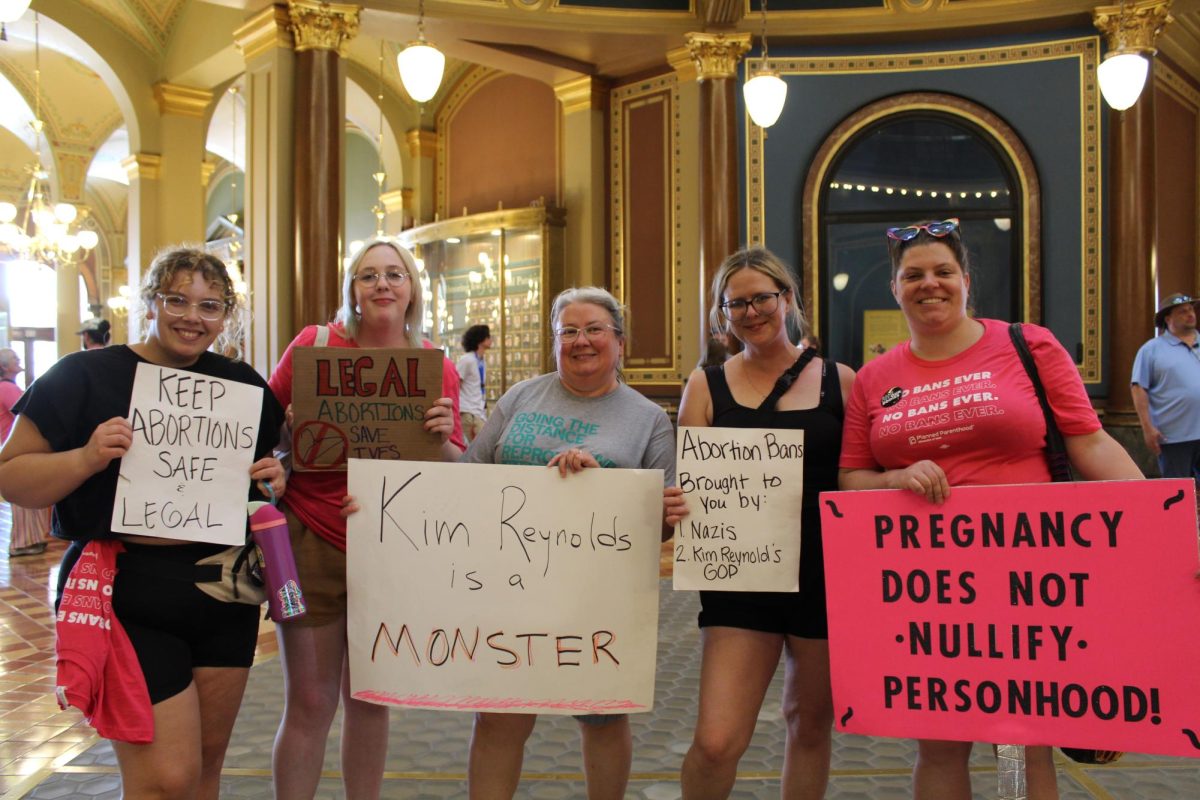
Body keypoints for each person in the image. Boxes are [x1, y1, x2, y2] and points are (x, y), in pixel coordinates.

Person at [838, 218, 1143, 800]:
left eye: (943, 271)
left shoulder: (1027, 344)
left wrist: (1166, 529)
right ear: (894, 289)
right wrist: (897, 477)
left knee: (1028, 737)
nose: (930, 284)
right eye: (914, 275)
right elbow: (851, 479)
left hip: (1034, 574)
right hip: (925, 581)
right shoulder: (874, 378)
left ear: (966, 280)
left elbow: (1091, 442)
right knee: (939, 739)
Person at [0, 246, 287, 800]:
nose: (191, 317)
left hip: (224, 594)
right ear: (150, 303)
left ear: (227, 315)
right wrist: (85, 457)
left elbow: (258, 483)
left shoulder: (243, 387)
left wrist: (273, 479)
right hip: (129, 592)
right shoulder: (83, 376)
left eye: (210, 305)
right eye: (176, 299)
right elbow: (10, 476)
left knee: (204, 770)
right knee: (165, 779)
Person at [267, 236, 466, 800]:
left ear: (411, 290)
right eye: (369, 275)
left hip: (394, 544)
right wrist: (284, 437)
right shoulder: (315, 344)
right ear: (352, 290)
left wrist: (443, 438)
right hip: (310, 536)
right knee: (309, 701)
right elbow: (265, 430)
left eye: (394, 275)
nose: (382, 284)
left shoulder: (434, 365)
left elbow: (455, 469)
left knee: (371, 698)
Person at [464, 286, 676, 800]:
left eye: (595, 329)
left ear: (619, 342)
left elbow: (664, 519)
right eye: (569, 332)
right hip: (508, 584)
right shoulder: (520, 396)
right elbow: (470, 474)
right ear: (554, 342)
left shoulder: (647, 417)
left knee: (601, 718)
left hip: (597, 596)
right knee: (499, 717)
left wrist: (602, 485)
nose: (582, 341)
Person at [668, 247, 854, 800]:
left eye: (762, 298)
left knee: (809, 724)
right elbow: (686, 483)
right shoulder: (705, 387)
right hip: (738, 576)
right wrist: (674, 504)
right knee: (716, 741)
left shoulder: (841, 381)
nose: (751, 312)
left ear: (788, 299)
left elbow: (862, 473)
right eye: (736, 304)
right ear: (723, 316)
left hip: (826, 576)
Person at [1131, 292, 1200, 489]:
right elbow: (1138, 388)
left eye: (1191, 309)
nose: (1189, 314)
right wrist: (1147, 428)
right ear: (1168, 319)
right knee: (1177, 489)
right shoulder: (1151, 350)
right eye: (1182, 311)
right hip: (1174, 436)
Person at [0, 348, 51, 556]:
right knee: (25, 500)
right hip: (16, 447)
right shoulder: (7, 388)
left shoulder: (7, 387)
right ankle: (23, 542)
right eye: (14, 359)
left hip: (11, 445)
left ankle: (29, 540)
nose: (19, 360)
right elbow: (29, 414)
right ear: (4, 366)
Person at [457, 323, 492, 442]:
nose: (490, 339)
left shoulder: (482, 360)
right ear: (480, 339)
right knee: (476, 447)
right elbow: (456, 384)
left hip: (478, 409)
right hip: (468, 411)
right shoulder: (467, 360)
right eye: (488, 337)